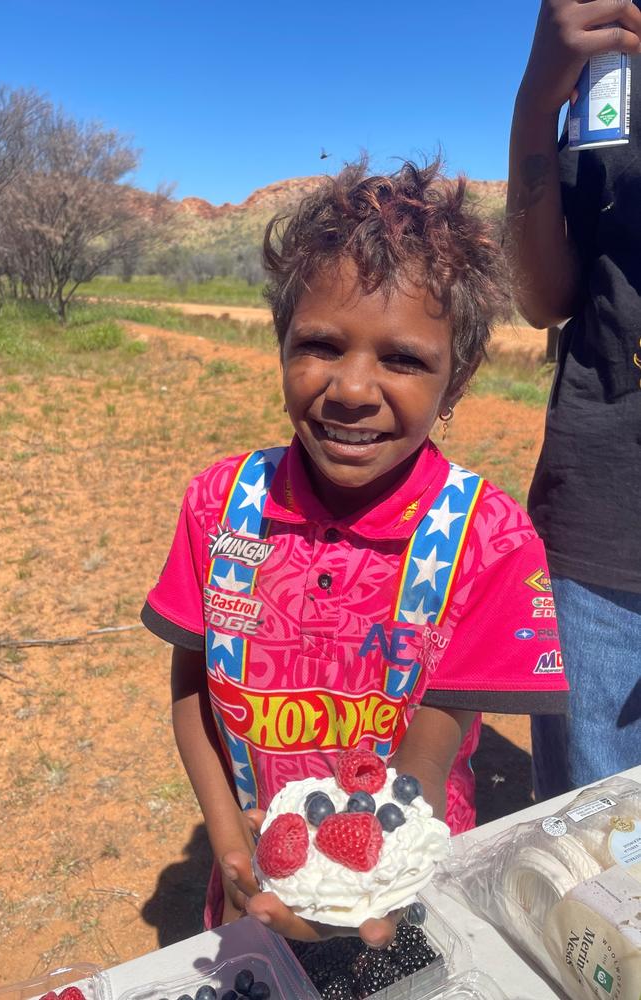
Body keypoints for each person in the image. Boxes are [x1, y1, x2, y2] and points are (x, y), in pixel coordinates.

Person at [141, 160, 567, 946]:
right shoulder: (220, 505)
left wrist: (362, 882)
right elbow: (192, 688)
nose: (351, 388)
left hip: (403, 880)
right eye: (320, 345)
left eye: (402, 359)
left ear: (460, 375)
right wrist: (233, 848)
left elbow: (430, 754)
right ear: (280, 345)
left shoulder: (490, 538)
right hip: (257, 873)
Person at [506, 0, 641, 800]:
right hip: (605, 530)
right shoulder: (607, 53)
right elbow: (542, 299)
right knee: (593, 867)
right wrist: (535, 103)